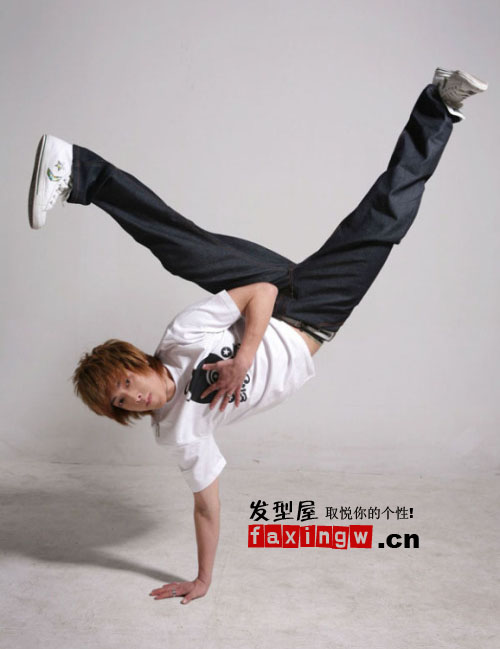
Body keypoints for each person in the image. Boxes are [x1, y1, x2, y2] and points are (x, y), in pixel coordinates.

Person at [27, 67, 488, 604]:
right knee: (384, 222)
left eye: (127, 381)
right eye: (121, 401)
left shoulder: (179, 338)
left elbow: (262, 292)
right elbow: (206, 504)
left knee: (184, 248)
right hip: (316, 313)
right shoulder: (178, 432)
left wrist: (244, 356)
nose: (134, 396)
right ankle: (440, 105)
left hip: (271, 293)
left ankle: (76, 168)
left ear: (137, 361)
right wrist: (203, 579)